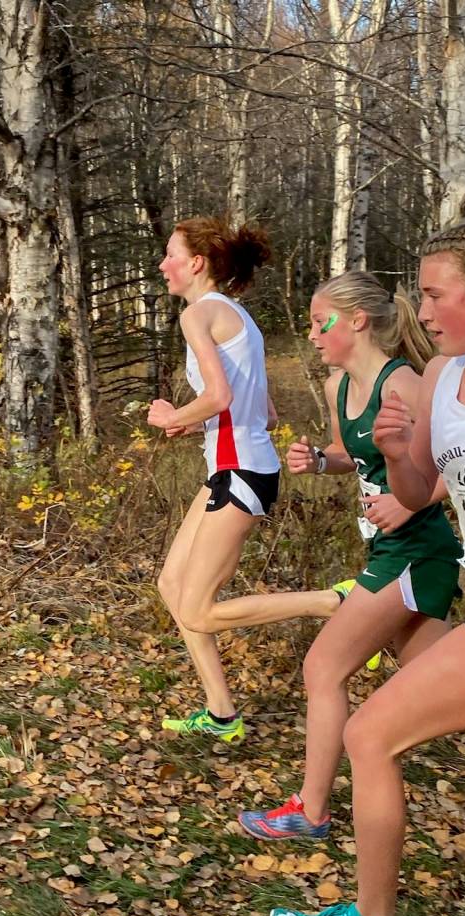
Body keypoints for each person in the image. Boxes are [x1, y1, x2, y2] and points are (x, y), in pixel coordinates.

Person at [269, 216, 465, 916]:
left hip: (422, 564)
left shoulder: (410, 374)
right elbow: (419, 484)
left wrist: (410, 500)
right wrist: (395, 459)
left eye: (435, 296)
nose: (422, 315)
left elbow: (421, 505)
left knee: (355, 713)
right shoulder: (437, 383)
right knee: (379, 726)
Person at [237, 270, 462, 840]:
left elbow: (453, 466)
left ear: (356, 321)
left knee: (323, 666)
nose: (312, 334)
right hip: (389, 546)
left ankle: (310, 812)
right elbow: (349, 454)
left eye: (320, 322)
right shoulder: (341, 387)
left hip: (416, 549)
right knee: (440, 678)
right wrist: (321, 461)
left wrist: (408, 505)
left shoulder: (403, 384)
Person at [147, 218, 366, 744]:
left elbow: (220, 398)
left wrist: (173, 415)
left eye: (170, 255)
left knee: (198, 609)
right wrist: (196, 423)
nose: (163, 265)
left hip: (240, 471)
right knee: (172, 587)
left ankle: (336, 602)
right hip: (238, 467)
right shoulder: (238, 316)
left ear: (196, 262)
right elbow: (262, 413)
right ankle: (222, 713)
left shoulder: (198, 315)